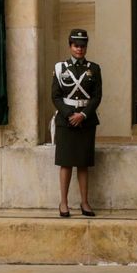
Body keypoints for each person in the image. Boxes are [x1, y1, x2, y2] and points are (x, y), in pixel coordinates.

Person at [52, 28, 102, 217]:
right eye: (76, 45)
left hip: (86, 120)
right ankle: (63, 203)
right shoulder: (60, 68)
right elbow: (55, 97)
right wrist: (70, 115)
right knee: (66, 163)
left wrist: (83, 115)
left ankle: (85, 202)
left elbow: (97, 97)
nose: (79, 49)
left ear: (86, 46)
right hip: (66, 121)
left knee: (83, 163)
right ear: (70, 46)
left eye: (83, 46)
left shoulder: (94, 68)